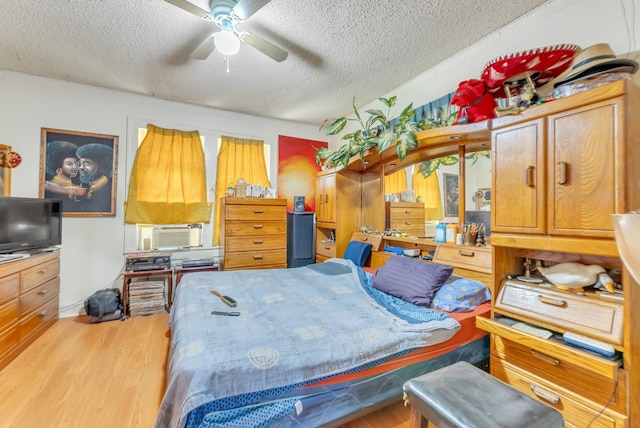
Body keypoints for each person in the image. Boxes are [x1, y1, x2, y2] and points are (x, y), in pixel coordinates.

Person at [44, 141, 85, 210]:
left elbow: (82, 192)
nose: (75, 167)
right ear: (59, 165)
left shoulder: (76, 187)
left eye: (76, 163)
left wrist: (59, 189)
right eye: (69, 164)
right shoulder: (47, 185)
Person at [75, 143, 114, 212]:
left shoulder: (109, 191)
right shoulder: (91, 189)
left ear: (101, 166)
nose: (81, 167)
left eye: (87, 164)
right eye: (80, 164)